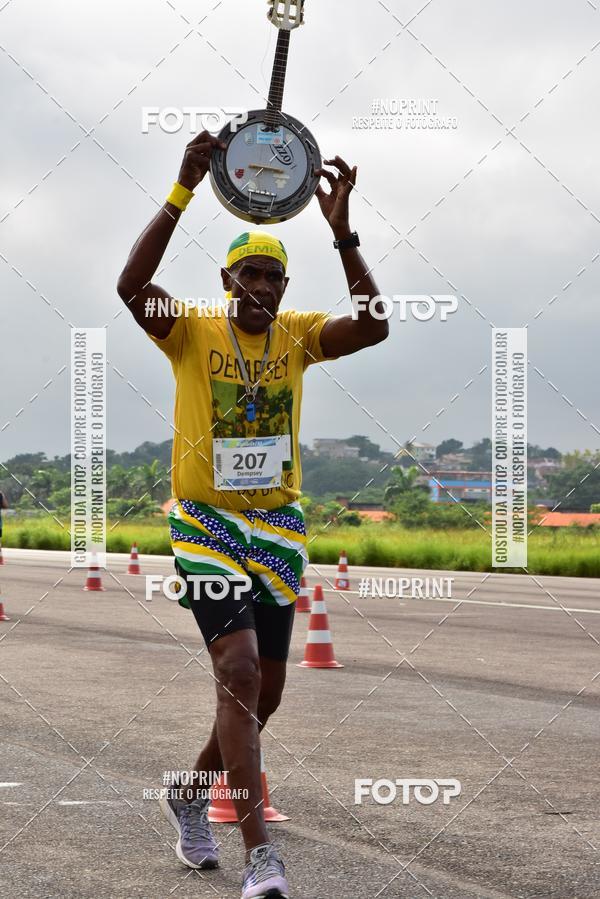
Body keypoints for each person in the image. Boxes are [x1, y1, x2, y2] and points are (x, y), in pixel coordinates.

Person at [117, 130, 388, 899]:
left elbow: (373, 323)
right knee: (233, 671)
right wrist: (181, 191)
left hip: (277, 528)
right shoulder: (193, 330)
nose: (261, 288)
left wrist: (343, 234)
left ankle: (188, 790)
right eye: (249, 275)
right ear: (226, 277)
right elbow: (131, 287)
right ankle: (260, 854)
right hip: (204, 522)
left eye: (273, 276)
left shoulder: (300, 336)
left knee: (263, 694)